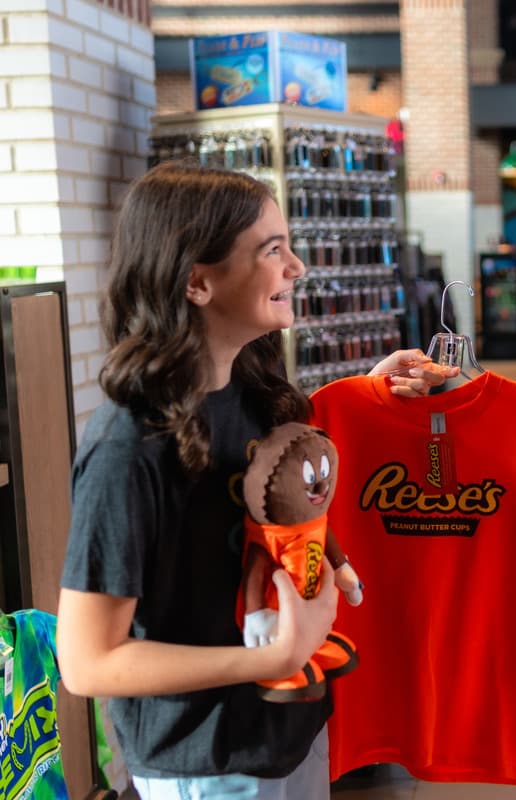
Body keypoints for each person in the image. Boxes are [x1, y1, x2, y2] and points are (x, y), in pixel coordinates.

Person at [56, 161, 456, 798]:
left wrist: (370, 392)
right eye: (273, 251)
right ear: (197, 282)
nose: (298, 267)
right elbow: (87, 662)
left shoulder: (244, 387)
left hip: (286, 729)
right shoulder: (127, 450)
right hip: (207, 763)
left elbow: (273, 479)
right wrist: (273, 657)